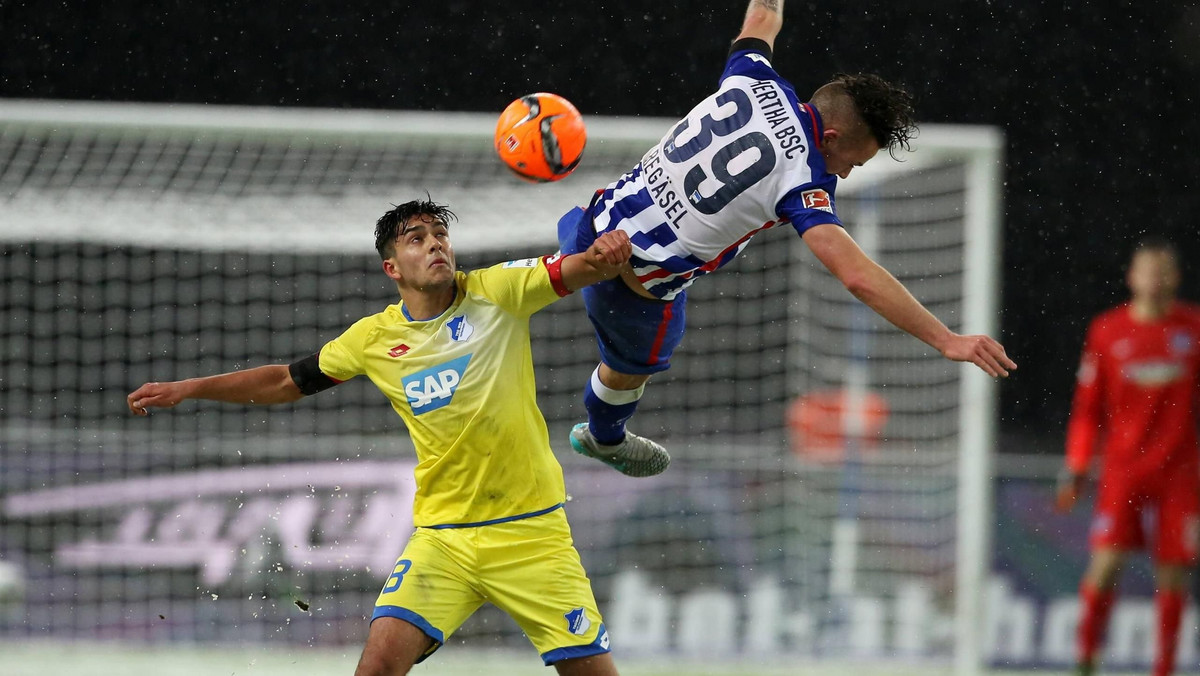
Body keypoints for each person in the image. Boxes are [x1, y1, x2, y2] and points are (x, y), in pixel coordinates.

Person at [127, 198, 633, 676]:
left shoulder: (497, 291)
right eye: (417, 239)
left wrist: (603, 255)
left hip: (532, 535)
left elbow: (580, 268)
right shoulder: (373, 339)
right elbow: (286, 381)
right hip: (444, 540)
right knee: (375, 668)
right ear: (392, 268)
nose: (436, 244)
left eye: (441, 234)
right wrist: (190, 387)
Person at [557, 0, 1017, 477]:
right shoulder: (805, 179)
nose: (845, 172)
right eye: (852, 162)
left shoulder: (754, 77)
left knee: (524, 292)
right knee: (635, 364)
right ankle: (603, 436)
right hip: (632, 286)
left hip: (590, 223)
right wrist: (945, 340)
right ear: (832, 137)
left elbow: (762, 18)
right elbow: (858, 277)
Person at [1055, 237, 1200, 676]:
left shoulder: (1194, 330)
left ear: (1175, 278)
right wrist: (1078, 464)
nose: (1155, 281)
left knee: (1174, 572)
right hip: (1124, 468)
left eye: (1163, 272)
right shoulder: (1107, 331)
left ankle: (1165, 668)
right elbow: (1087, 408)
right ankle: (1086, 656)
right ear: (1131, 278)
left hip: (1181, 472)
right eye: (1147, 272)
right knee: (1106, 563)